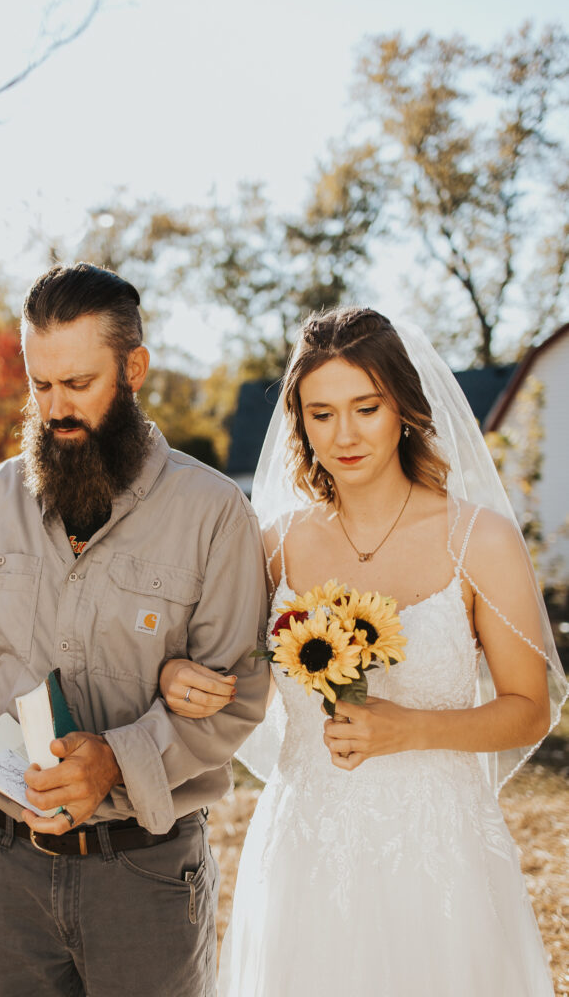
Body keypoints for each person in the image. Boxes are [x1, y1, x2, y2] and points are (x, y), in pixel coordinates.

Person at [160, 307, 568, 996]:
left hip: (440, 860)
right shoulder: (275, 545)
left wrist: (409, 728)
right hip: (304, 851)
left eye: (365, 407)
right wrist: (176, 674)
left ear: (403, 408)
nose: (343, 435)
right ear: (298, 423)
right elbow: (219, 668)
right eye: (320, 414)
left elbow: (528, 710)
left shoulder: (480, 540)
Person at [0, 262, 271, 997]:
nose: (56, 409)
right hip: (4, 866)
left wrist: (119, 761)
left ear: (134, 369)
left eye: (79, 384)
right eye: (41, 386)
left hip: (147, 873)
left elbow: (239, 692)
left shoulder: (216, 512)